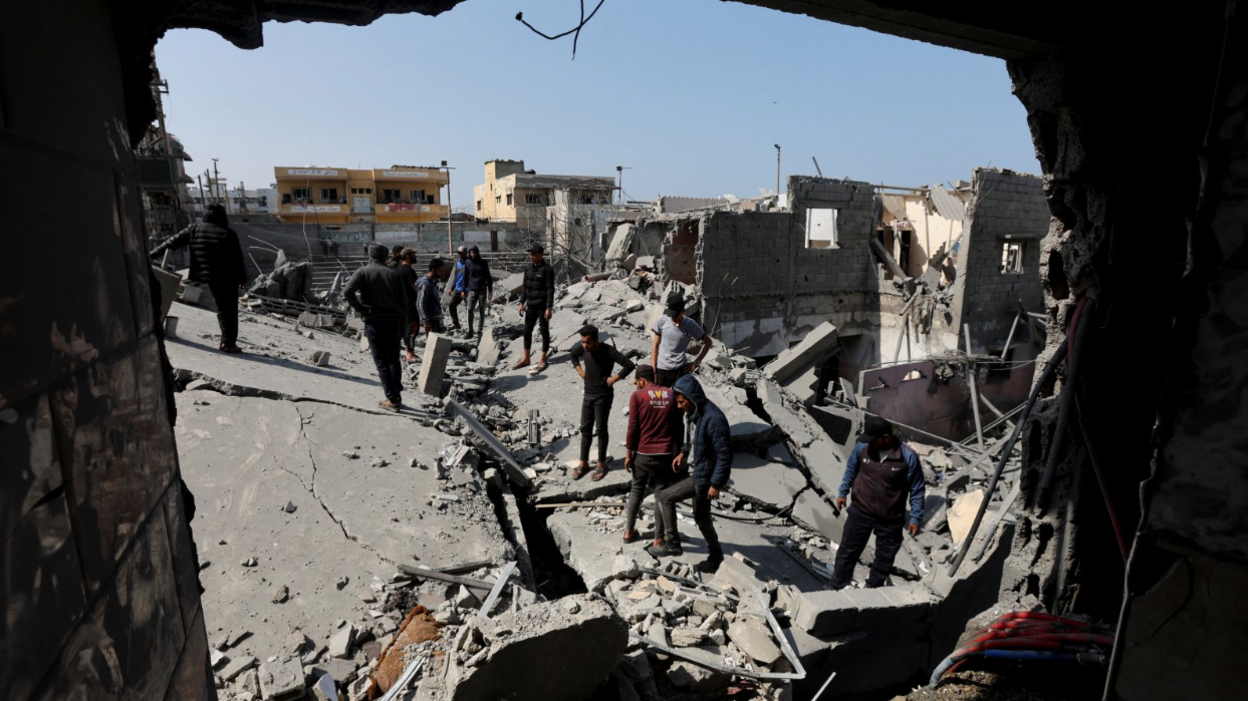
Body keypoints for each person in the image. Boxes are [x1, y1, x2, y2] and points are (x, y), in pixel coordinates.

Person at [649, 375, 732, 573]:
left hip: (704, 477)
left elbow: (725, 455)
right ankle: (716, 556)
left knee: (665, 497)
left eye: (680, 402)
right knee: (701, 517)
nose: (679, 407)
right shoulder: (695, 412)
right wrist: (683, 453)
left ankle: (673, 544)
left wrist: (716, 484)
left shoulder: (714, 419)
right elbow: (694, 441)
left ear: (691, 397)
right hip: (701, 472)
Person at [830, 416, 926, 589]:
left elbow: (917, 489)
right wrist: (843, 491)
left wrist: (915, 517)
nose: (869, 443)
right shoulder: (862, 448)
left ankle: (871, 590)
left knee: (884, 559)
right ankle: (837, 585)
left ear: (885, 438)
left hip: (891, 518)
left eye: (872, 440)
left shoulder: (908, 457)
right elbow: (851, 468)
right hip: (860, 510)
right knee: (847, 552)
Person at [149, 204, 248, 353]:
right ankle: (228, 343)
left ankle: (227, 342)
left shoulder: (193, 229)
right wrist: (242, 279)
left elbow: (171, 243)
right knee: (228, 311)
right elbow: (237, 260)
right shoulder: (228, 234)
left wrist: (150, 256)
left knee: (223, 310)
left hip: (202, 276)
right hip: (225, 278)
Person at [623, 364, 684, 545]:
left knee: (636, 490)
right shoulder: (671, 394)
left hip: (642, 453)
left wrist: (628, 453)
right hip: (665, 453)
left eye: (637, 382)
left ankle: (628, 531)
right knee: (660, 495)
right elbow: (679, 425)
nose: (636, 385)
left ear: (642, 380)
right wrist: (678, 449)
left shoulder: (637, 396)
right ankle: (658, 537)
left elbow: (633, 427)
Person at [344, 243, 409, 412]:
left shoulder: (363, 272)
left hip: (374, 322)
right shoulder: (394, 274)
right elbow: (404, 303)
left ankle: (392, 399)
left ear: (370, 255)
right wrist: (403, 324)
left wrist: (360, 308)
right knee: (394, 360)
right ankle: (396, 394)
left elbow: (347, 292)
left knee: (381, 361)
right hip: (394, 322)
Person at [568, 325, 635, 482]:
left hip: (603, 396)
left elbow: (629, 364)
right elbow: (572, 354)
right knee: (585, 429)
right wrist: (580, 372)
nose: (584, 345)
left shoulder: (608, 351)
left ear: (596, 339)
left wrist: (613, 379)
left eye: (588, 342)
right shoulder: (583, 348)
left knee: (601, 429)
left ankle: (601, 464)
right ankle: (583, 463)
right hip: (588, 395)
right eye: (582, 342)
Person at [651, 295, 713, 389]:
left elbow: (708, 343)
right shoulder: (662, 320)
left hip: (680, 370)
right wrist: (653, 366)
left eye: (676, 315)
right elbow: (655, 344)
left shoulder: (690, 325)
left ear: (683, 311)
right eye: (671, 314)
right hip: (661, 369)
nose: (673, 318)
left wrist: (695, 363)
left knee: (679, 401)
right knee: (662, 400)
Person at [513, 244, 555, 372]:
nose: (531, 257)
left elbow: (550, 289)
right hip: (530, 304)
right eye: (530, 254)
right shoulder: (528, 269)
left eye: (533, 254)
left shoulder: (547, 270)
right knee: (526, 331)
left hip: (542, 305)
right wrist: (521, 302)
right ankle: (526, 358)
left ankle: (542, 358)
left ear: (540, 255)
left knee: (544, 330)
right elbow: (525, 287)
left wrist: (549, 307)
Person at [463, 245, 493, 337]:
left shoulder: (483, 263)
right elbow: (465, 277)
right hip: (472, 290)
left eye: (474, 252)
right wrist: (463, 290)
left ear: (477, 252)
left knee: (481, 310)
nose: (473, 254)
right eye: (471, 253)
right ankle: (470, 330)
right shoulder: (467, 262)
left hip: (482, 290)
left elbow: (488, 276)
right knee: (470, 310)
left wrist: (490, 290)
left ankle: (480, 330)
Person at [397, 248, 420, 362]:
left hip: (400, 305)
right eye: (413, 255)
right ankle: (410, 353)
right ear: (407, 256)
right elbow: (416, 288)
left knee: (404, 328)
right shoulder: (409, 271)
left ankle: (407, 351)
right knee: (413, 328)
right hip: (410, 305)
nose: (415, 257)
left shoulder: (397, 270)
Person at [417, 258, 449, 336]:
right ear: (433, 270)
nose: (442, 273)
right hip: (431, 321)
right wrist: (426, 321)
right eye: (440, 271)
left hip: (435, 320)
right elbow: (420, 303)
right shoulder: (426, 283)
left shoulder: (432, 282)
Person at [448, 245, 468, 331]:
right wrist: (451, 288)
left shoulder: (470, 262)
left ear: (465, 253)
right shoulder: (457, 262)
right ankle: (456, 324)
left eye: (461, 253)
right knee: (451, 305)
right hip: (458, 289)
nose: (460, 255)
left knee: (469, 309)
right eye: (459, 253)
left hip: (468, 290)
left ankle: (471, 328)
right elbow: (456, 276)